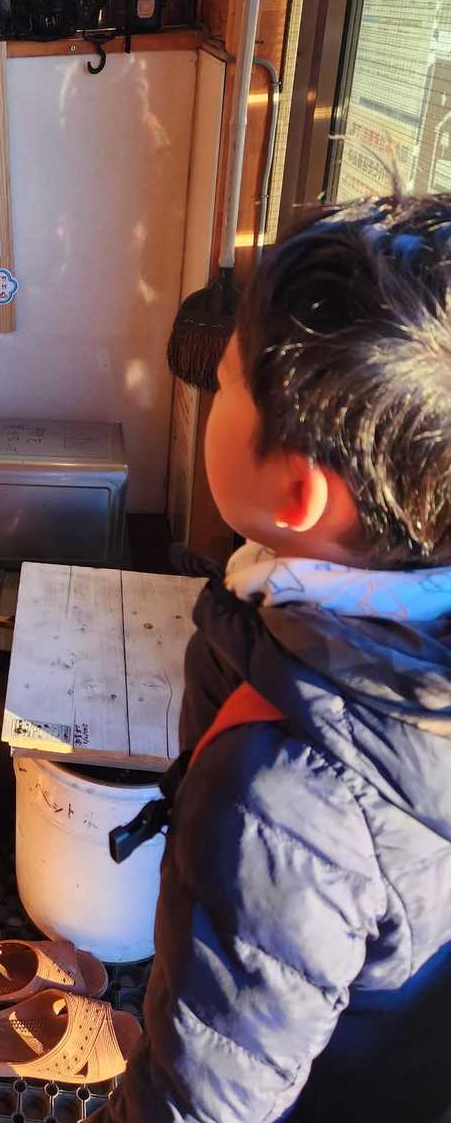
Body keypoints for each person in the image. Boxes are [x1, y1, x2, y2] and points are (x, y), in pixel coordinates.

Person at [103, 193, 451, 1123]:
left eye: (223, 384)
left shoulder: (282, 792)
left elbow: (203, 1102)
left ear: (299, 494)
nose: (208, 397)